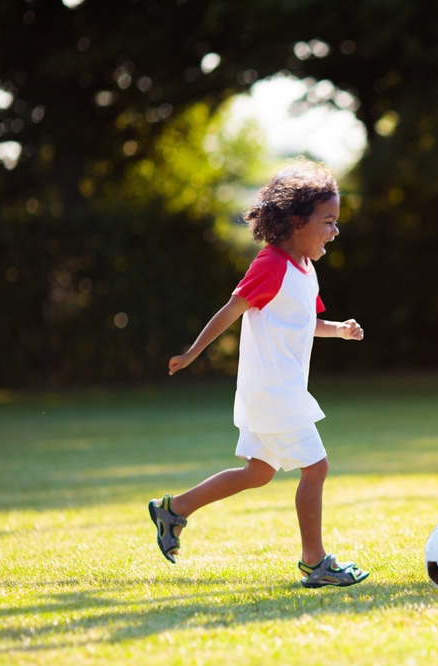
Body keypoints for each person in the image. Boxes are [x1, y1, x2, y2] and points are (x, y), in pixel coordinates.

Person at [148, 157, 370, 589]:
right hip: (273, 392)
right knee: (316, 468)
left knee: (258, 473)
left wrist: (339, 330)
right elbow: (231, 310)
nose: (335, 231)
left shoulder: (306, 269)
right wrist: (193, 353)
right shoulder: (270, 264)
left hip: (276, 391)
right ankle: (314, 562)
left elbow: (303, 322)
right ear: (295, 222)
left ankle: (173, 510)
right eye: (327, 221)